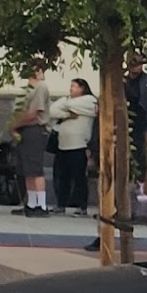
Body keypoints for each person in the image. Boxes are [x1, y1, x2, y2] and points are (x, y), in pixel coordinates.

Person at [11, 59, 56, 217]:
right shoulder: (28, 88)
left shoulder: (40, 87)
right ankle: (31, 202)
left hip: (35, 129)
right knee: (27, 168)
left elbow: (34, 113)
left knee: (35, 168)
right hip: (25, 129)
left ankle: (41, 205)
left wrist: (14, 125)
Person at [51, 78, 97, 220]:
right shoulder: (67, 100)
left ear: (82, 88)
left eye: (74, 86)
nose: (71, 89)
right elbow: (52, 110)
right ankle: (61, 204)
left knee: (79, 178)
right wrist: (67, 113)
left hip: (79, 145)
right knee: (62, 177)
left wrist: (65, 106)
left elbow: (73, 106)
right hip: (63, 145)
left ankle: (81, 206)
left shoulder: (89, 100)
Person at [126, 55, 147, 215]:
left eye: (138, 63)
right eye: (132, 62)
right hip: (128, 128)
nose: (135, 66)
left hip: (145, 127)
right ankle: (128, 200)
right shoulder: (123, 82)